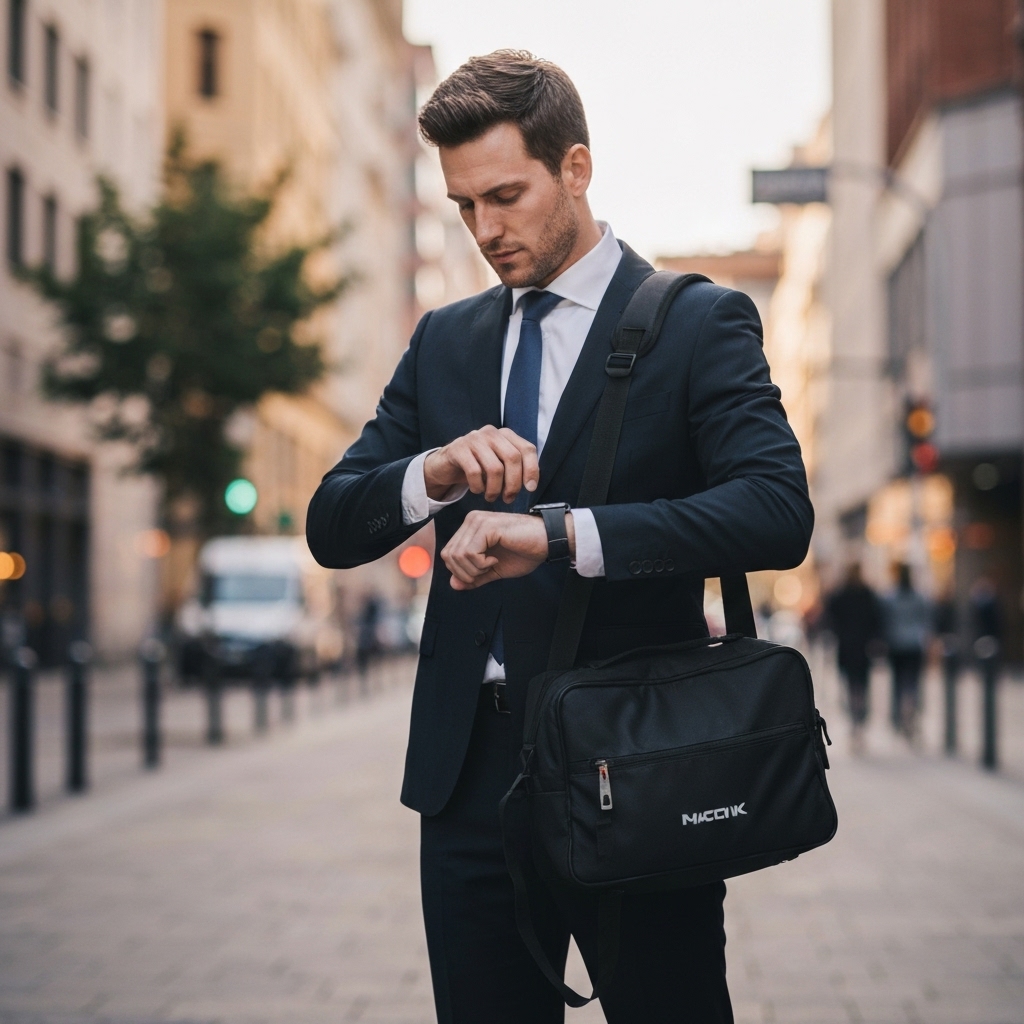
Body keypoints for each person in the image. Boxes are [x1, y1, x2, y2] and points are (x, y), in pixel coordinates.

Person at [307, 51, 812, 1024]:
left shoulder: (698, 322)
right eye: (462, 206)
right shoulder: (443, 339)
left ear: (574, 168)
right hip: (467, 781)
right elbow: (334, 524)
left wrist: (562, 533)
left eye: (504, 195)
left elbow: (775, 511)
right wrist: (434, 471)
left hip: (635, 755)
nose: (484, 230)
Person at [824, 564, 881, 752]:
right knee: (863, 686)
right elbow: (876, 620)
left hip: (846, 647)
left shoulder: (840, 595)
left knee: (850, 685)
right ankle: (860, 720)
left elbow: (830, 617)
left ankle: (854, 723)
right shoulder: (867, 594)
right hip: (863, 647)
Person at [882, 563, 931, 739]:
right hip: (914, 644)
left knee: (897, 683)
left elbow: (885, 622)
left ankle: (899, 717)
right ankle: (911, 711)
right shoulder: (919, 597)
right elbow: (927, 620)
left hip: (896, 644)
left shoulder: (890, 598)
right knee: (913, 683)